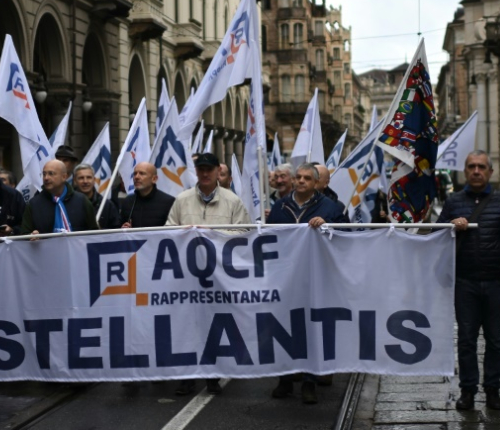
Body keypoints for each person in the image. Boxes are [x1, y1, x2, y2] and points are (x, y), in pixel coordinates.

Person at [437, 150, 500, 412]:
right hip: (465, 282)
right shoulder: (453, 202)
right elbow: (438, 238)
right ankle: (467, 391)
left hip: (496, 282)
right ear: (465, 172)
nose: (476, 171)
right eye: (471, 167)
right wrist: (451, 226)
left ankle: (492, 391)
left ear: (490, 172)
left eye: (481, 167)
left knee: (495, 340)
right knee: (466, 339)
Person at [166, 153, 250, 396]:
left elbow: (243, 234)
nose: (204, 174)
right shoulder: (182, 200)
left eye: (209, 170)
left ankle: (213, 375)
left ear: (217, 171)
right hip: (188, 275)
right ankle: (188, 377)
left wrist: (211, 234)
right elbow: (168, 231)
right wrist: (184, 233)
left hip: (219, 276)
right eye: (200, 169)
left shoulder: (232, 201)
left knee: (215, 326)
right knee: (187, 326)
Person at [266, 162, 348, 404]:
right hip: (286, 279)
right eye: (298, 177)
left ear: (315, 183)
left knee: (312, 330)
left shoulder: (330, 207)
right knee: (285, 328)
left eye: (306, 179)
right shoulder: (280, 206)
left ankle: (310, 382)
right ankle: (285, 380)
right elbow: (270, 240)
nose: (301, 181)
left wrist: (329, 226)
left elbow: (346, 236)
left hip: (316, 277)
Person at [22, 159, 99, 234]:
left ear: (64, 177)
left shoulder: (82, 201)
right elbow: (24, 235)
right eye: (44, 174)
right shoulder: (34, 204)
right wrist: (31, 236)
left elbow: (94, 233)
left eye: (51, 174)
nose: (46, 178)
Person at [119, 162, 175, 228]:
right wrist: (122, 229)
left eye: (142, 173)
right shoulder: (128, 202)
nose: (136, 177)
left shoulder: (168, 202)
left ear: (154, 179)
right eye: (135, 174)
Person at [73, 163, 121, 229]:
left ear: (94, 179)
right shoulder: (67, 203)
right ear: (75, 181)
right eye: (81, 178)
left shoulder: (106, 205)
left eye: (89, 177)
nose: (85, 181)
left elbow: (116, 229)